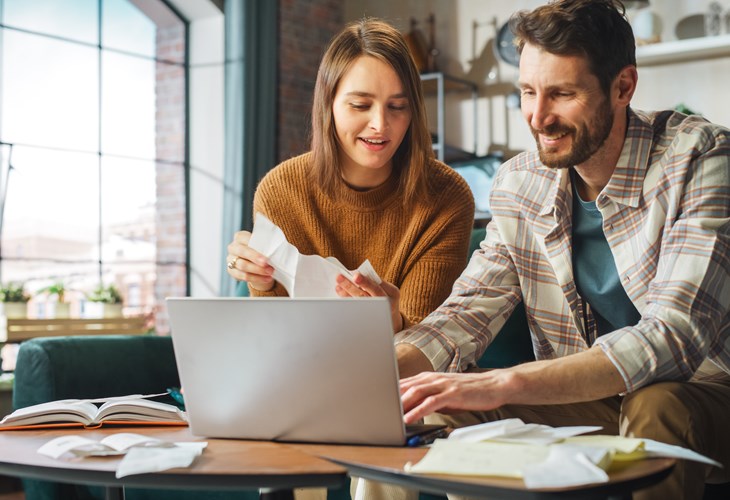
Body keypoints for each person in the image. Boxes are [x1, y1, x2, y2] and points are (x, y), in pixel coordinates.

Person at [394, 1, 730, 499]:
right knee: (429, 404)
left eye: (562, 94)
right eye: (528, 92)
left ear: (623, 87)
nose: (538, 116)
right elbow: (465, 314)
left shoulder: (700, 156)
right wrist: (378, 372)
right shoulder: (518, 183)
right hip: (587, 402)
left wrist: (505, 382)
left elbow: (674, 337)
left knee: (657, 404)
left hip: (706, 394)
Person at [225, 18, 474, 340]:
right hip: (304, 370)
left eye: (398, 106)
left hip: (409, 378)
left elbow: (429, 344)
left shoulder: (447, 196)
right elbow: (278, 338)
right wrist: (262, 281)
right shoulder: (281, 190)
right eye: (360, 105)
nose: (380, 124)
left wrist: (393, 322)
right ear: (328, 104)